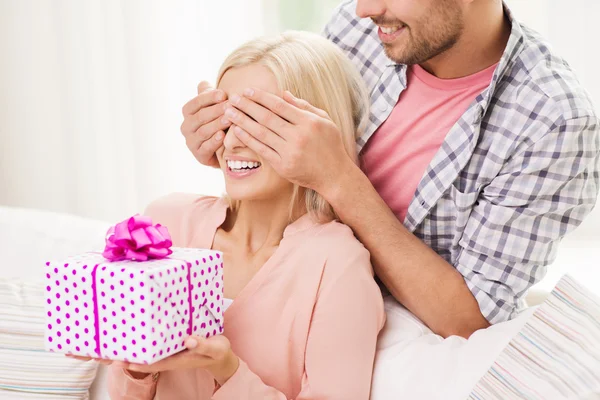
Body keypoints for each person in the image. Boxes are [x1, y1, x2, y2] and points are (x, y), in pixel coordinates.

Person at [180, 0, 600, 338]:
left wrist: (340, 179)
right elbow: (295, 180)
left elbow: (471, 320)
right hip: (302, 304)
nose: (363, 8)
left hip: (404, 340)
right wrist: (232, 143)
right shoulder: (365, 26)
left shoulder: (552, 120)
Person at [105, 31, 385, 399]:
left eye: (258, 121)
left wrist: (227, 370)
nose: (233, 141)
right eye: (225, 117)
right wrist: (134, 366)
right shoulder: (166, 222)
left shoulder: (336, 265)